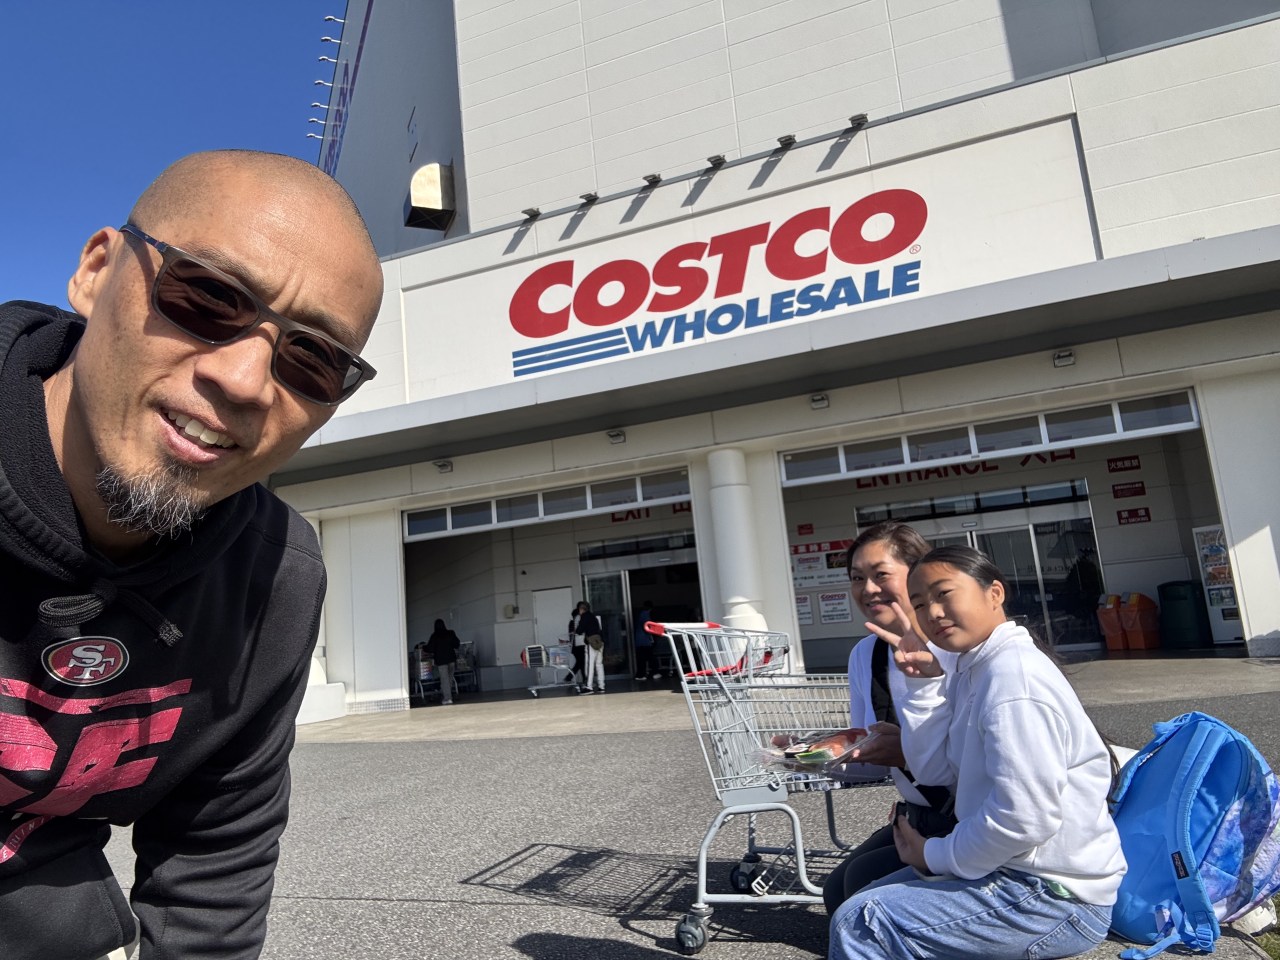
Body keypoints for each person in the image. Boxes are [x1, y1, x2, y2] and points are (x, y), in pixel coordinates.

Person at [0, 150, 383, 960]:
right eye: (207, 297)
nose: (247, 380)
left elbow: (214, 872)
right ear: (97, 272)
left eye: (312, 359)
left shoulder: (273, 580)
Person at [828, 545, 1126, 960]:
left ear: (995, 594)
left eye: (944, 594)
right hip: (1012, 871)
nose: (932, 612)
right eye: (920, 603)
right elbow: (934, 770)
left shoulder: (1011, 679)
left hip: (1053, 895)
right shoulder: (975, 667)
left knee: (864, 921)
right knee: (857, 896)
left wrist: (934, 855)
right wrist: (925, 684)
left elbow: (1025, 818)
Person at [822, 522, 957, 915]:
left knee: (858, 890)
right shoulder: (866, 654)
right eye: (857, 578)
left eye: (881, 574)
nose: (867, 589)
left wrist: (906, 753)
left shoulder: (955, 645)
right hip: (923, 812)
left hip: (971, 815)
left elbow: (986, 762)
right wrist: (816, 756)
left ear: (919, 573)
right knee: (837, 891)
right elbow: (870, 763)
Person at [425, 619, 462, 705]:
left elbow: (430, 648)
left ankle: (448, 698)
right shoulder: (450, 633)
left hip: (441, 661)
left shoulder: (434, 636)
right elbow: (457, 644)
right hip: (451, 660)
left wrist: (423, 648)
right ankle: (447, 695)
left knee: (445, 680)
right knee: (449, 679)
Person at [575, 600, 605, 693]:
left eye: (579, 610)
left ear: (581, 609)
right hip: (599, 642)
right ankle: (601, 686)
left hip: (591, 642)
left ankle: (589, 687)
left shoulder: (584, 616)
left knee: (590, 665)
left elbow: (579, 630)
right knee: (599, 664)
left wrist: (576, 631)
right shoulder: (593, 617)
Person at [633, 600, 661, 680]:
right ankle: (655, 672)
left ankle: (641, 674)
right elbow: (647, 626)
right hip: (645, 640)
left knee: (642, 658)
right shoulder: (645, 614)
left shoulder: (640, 614)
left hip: (639, 640)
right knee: (650, 657)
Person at [568, 601, 586, 686]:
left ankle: (569, 677)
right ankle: (584, 680)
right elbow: (579, 632)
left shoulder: (571, 623)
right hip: (579, 645)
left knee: (580, 663)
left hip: (574, 647)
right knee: (581, 663)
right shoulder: (578, 620)